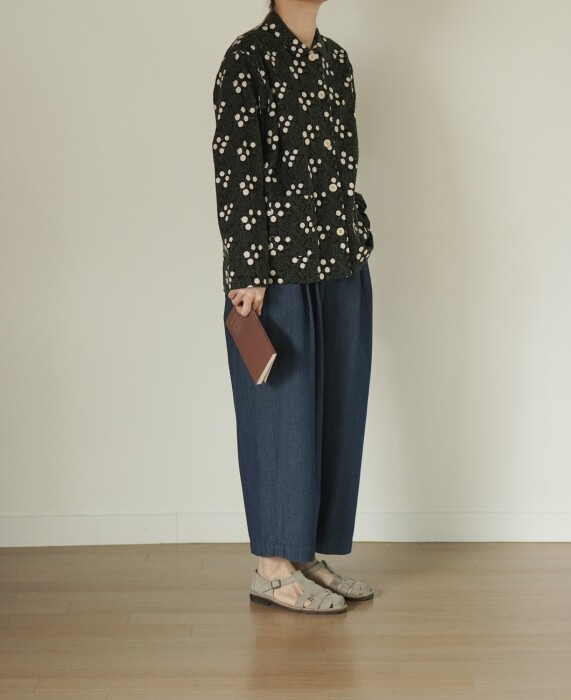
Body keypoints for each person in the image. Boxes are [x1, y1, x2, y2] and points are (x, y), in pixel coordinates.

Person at [211, 0, 375, 614]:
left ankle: (305, 555)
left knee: (336, 411)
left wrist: (357, 234)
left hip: (341, 260)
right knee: (279, 418)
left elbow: (345, 161)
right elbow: (236, 169)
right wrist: (245, 270)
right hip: (275, 270)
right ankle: (272, 567)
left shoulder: (336, 61)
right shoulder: (246, 58)